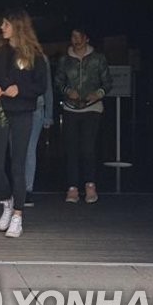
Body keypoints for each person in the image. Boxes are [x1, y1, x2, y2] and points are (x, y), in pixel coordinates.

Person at [0, 9, 48, 239]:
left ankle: (18, 215)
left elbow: (41, 85)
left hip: (23, 112)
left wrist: (20, 90)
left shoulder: (34, 55)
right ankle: (7, 201)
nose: (2, 27)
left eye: (6, 24)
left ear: (18, 27)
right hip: (0, 111)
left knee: (18, 164)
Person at [55, 26, 113, 204]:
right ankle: (72, 187)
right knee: (71, 148)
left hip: (92, 108)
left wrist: (98, 94)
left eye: (80, 36)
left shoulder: (98, 58)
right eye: (74, 36)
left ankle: (90, 184)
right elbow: (58, 81)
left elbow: (108, 82)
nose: (77, 40)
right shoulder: (65, 60)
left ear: (87, 38)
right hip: (70, 108)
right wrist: (68, 91)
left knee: (88, 148)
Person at [23, 55, 54, 207]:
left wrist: (48, 115)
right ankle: (20, 188)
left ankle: (27, 189)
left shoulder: (40, 58)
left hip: (35, 108)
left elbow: (47, 87)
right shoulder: (10, 53)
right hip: (15, 107)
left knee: (29, 149)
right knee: (17, 149)